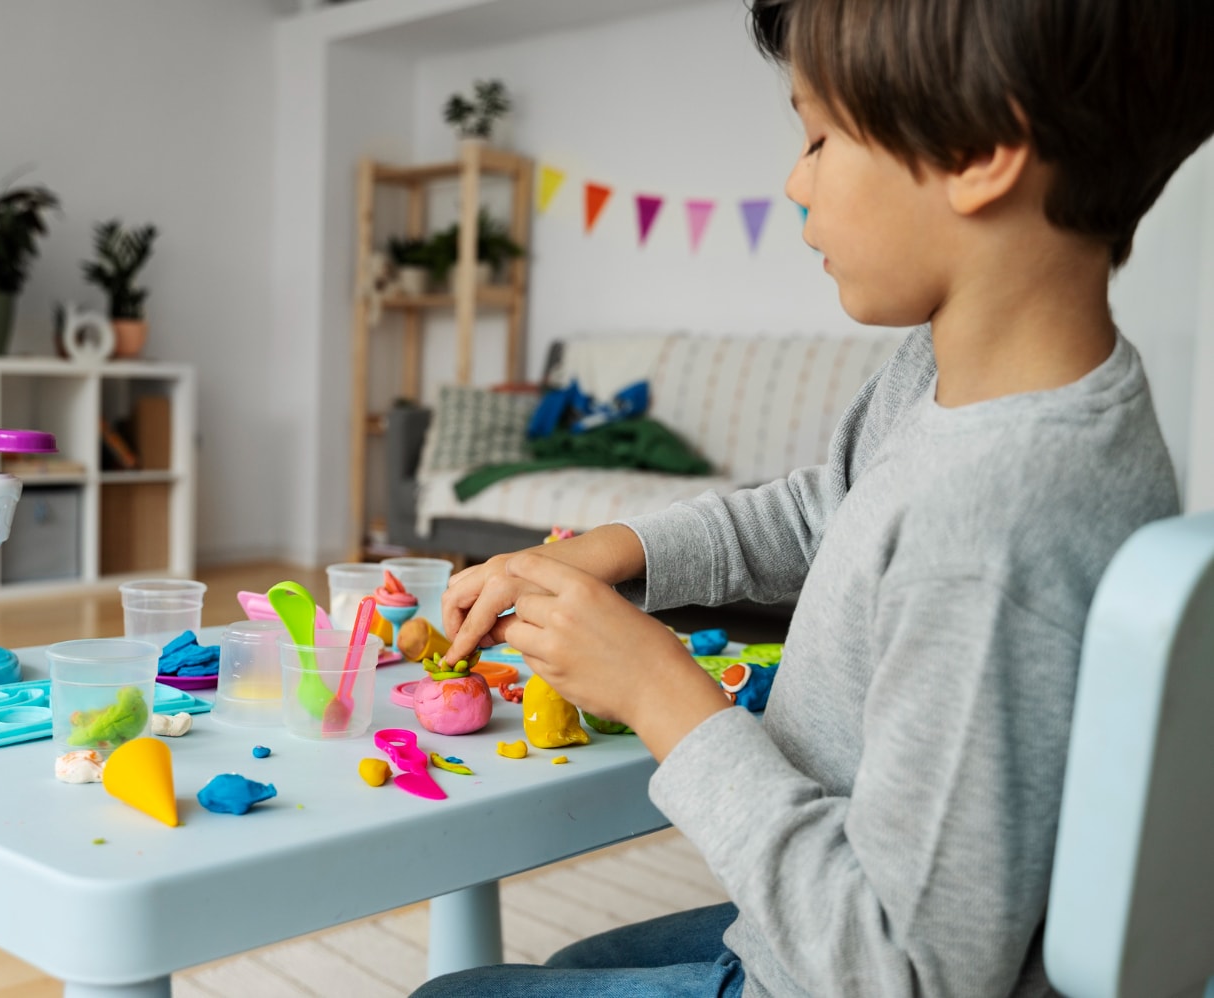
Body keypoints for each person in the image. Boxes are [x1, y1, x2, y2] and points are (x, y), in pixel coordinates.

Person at [411, 0, 1214, 995]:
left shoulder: (994, 521)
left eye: (820, 135)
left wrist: (662, 690)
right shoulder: (967, 370)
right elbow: (816, 512)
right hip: (835, 926)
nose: (795, 180)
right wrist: (621, 550)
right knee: (572, 962)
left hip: (856, 965)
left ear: (980, 149)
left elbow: (908, 972)